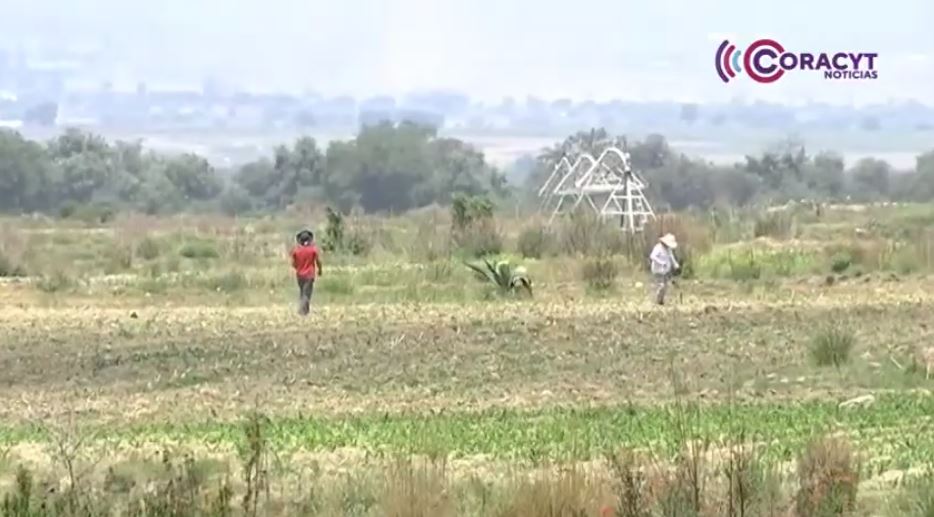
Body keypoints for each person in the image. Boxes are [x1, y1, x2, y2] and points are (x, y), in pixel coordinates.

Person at [290, 229, 322, 315]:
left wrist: (298, 268)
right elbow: (318, 261)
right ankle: (302, 311)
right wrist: (320, 270)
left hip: (300, 275)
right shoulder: (313, 250)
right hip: (309, 275)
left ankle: (305, 311)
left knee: (302, 292)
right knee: (307, 294)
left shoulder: (296, 251)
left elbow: (293, 264)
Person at [649, 233, 679, 305]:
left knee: (665, 286)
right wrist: (661, 262)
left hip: (665, 271)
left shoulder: (668, 249)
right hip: (657, 270)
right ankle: (658, 299)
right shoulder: (658, 248)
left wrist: (675, 264)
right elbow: (652, 256)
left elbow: (671, 257)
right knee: (661, 285)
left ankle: (661, 300)